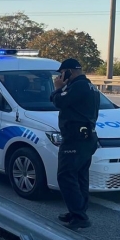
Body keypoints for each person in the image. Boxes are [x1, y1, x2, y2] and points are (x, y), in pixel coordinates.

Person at [50, 58, 101, 231]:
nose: (60, 77)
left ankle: (79, 216)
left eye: (62, 73)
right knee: (79, 177)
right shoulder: (89, 86)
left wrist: (58, 88)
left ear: (69, 72)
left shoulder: (77, 86)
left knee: (65, 176)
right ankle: (77, 211)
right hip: (86, 137)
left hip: (75, 139)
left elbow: (58, 101)